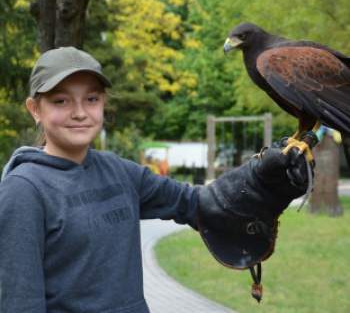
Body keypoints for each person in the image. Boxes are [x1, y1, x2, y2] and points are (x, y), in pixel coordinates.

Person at [0, 47, 313, 312]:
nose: (80, 112)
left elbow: (196, 203)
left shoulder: (119, 170)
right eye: (61, 101)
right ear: (35, 109)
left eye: (91, 99)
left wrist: (261, 181)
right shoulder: (25, 188)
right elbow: (19, 301)